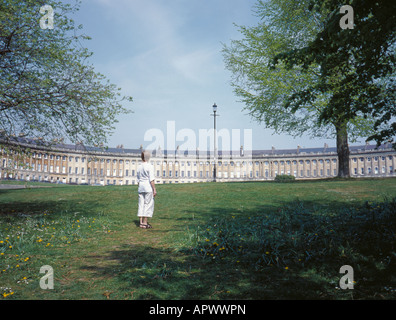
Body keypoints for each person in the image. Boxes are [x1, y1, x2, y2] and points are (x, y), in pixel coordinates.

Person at [137, 150, 156, 228]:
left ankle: (140, 222)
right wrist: (154, 189)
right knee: (148, 204)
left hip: (141, 187)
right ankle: (145, 223)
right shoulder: (150, 166)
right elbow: (151, 179)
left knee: (141, 204)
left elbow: (138, 179)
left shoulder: (139, 167)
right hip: (148, 187)